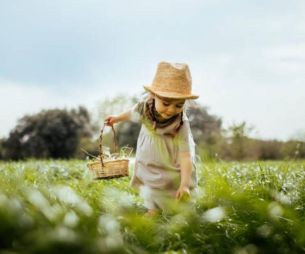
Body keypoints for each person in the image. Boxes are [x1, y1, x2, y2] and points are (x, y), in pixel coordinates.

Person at [105, 61, 199, 215]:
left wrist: (185, 185)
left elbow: (186, 157)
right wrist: (116, 118)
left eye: (178, 105)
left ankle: (176, 207)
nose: (171, 110)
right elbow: (131, 113)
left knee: (170, 183)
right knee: (149, 181)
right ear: (153, 95)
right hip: (148, 159)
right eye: (166, 103)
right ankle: (153, 209)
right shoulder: (144, 108)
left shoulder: (181, 123)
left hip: (170, 161)